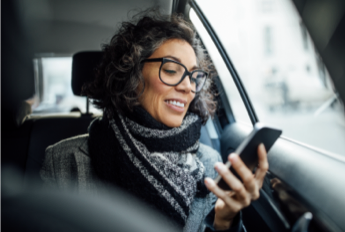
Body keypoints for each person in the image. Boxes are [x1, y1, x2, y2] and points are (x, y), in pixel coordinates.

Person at [40, 11, 268, 232]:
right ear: (132, 75)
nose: (188, 87)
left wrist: (225, 222)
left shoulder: (210, 163)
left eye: (193, 77)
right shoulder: (64, 160)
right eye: (171, 70)